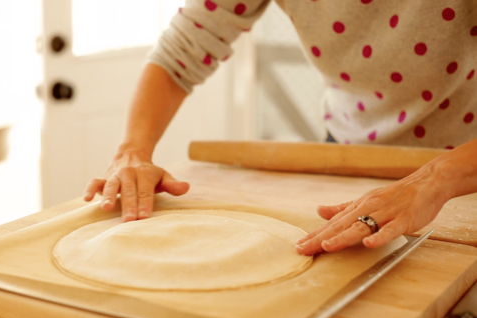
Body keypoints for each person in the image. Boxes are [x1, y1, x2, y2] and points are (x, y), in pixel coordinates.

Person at [83, 0, 477, 256]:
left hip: (464, 163)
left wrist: (436, 177)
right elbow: (178, 53)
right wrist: (131, 150)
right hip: (347, 147)